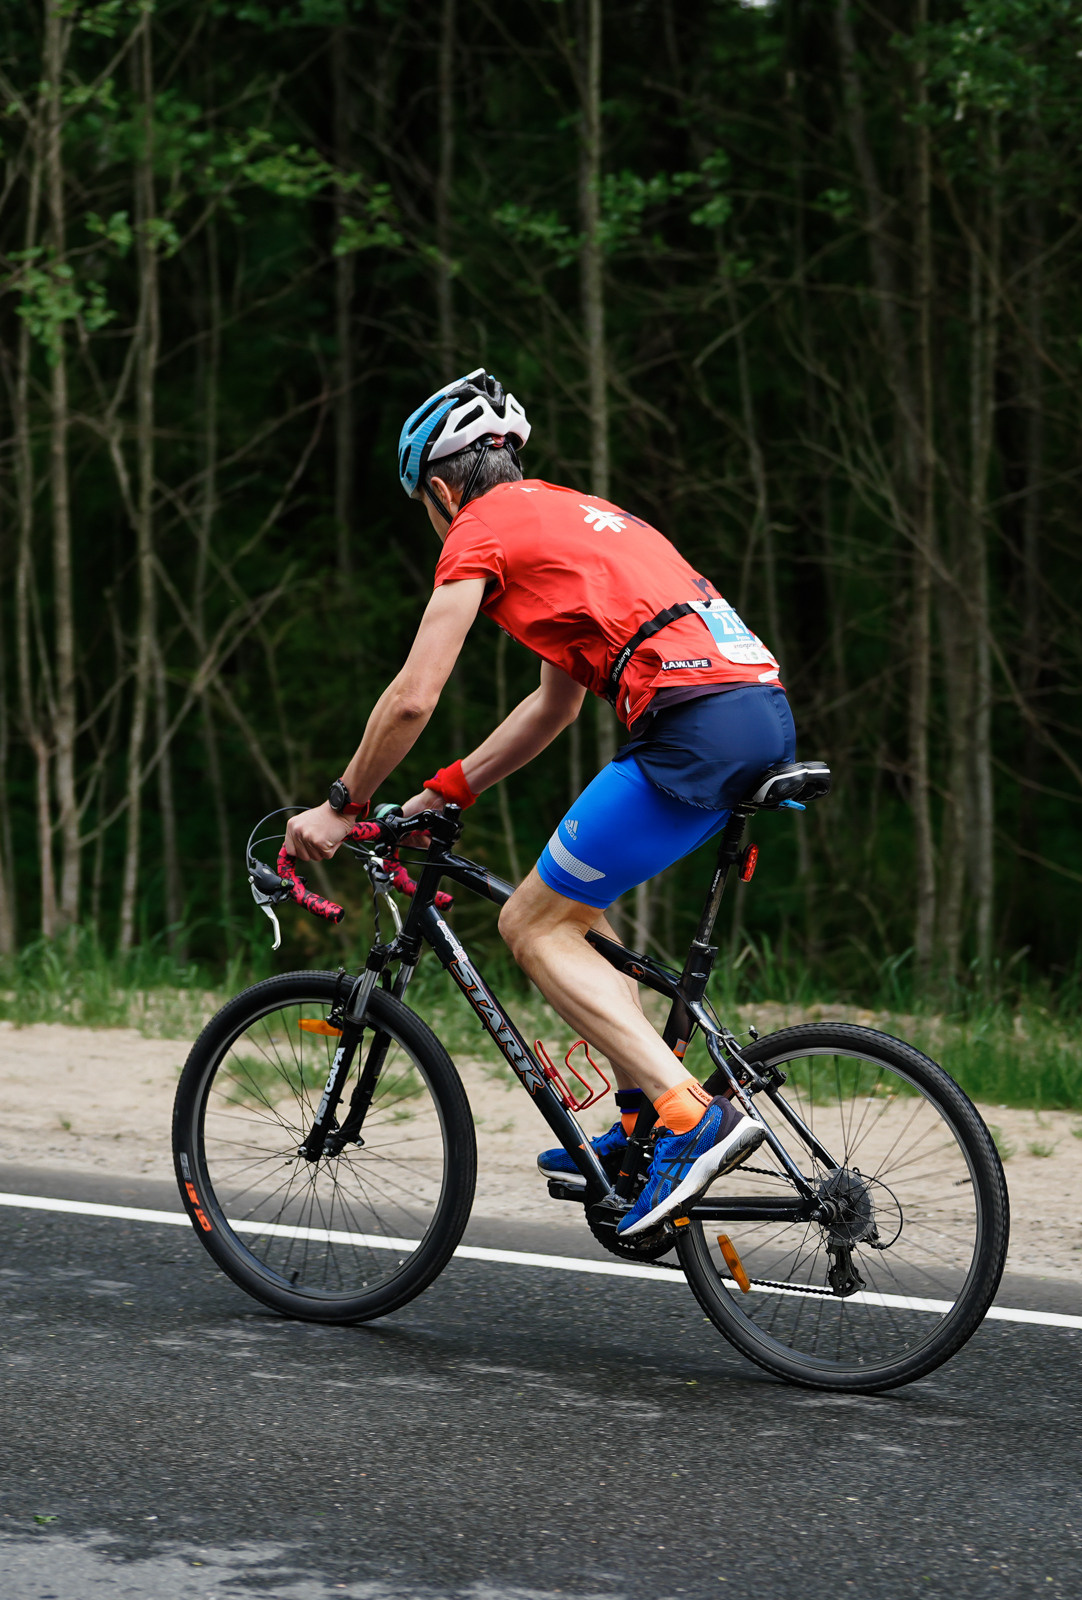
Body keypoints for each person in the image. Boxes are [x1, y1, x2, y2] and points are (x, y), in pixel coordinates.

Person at [285, 369, 798, 1237]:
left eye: (427, 507)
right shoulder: (573, 517)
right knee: (578, 914)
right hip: (755, 712)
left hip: (692, 728)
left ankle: (690, 1115)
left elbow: (414, 695)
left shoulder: (478, 532)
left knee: (529, 924)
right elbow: (553, 706)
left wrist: (345, 801)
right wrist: (447, 788)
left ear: (442, 491)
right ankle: (641, 1122)